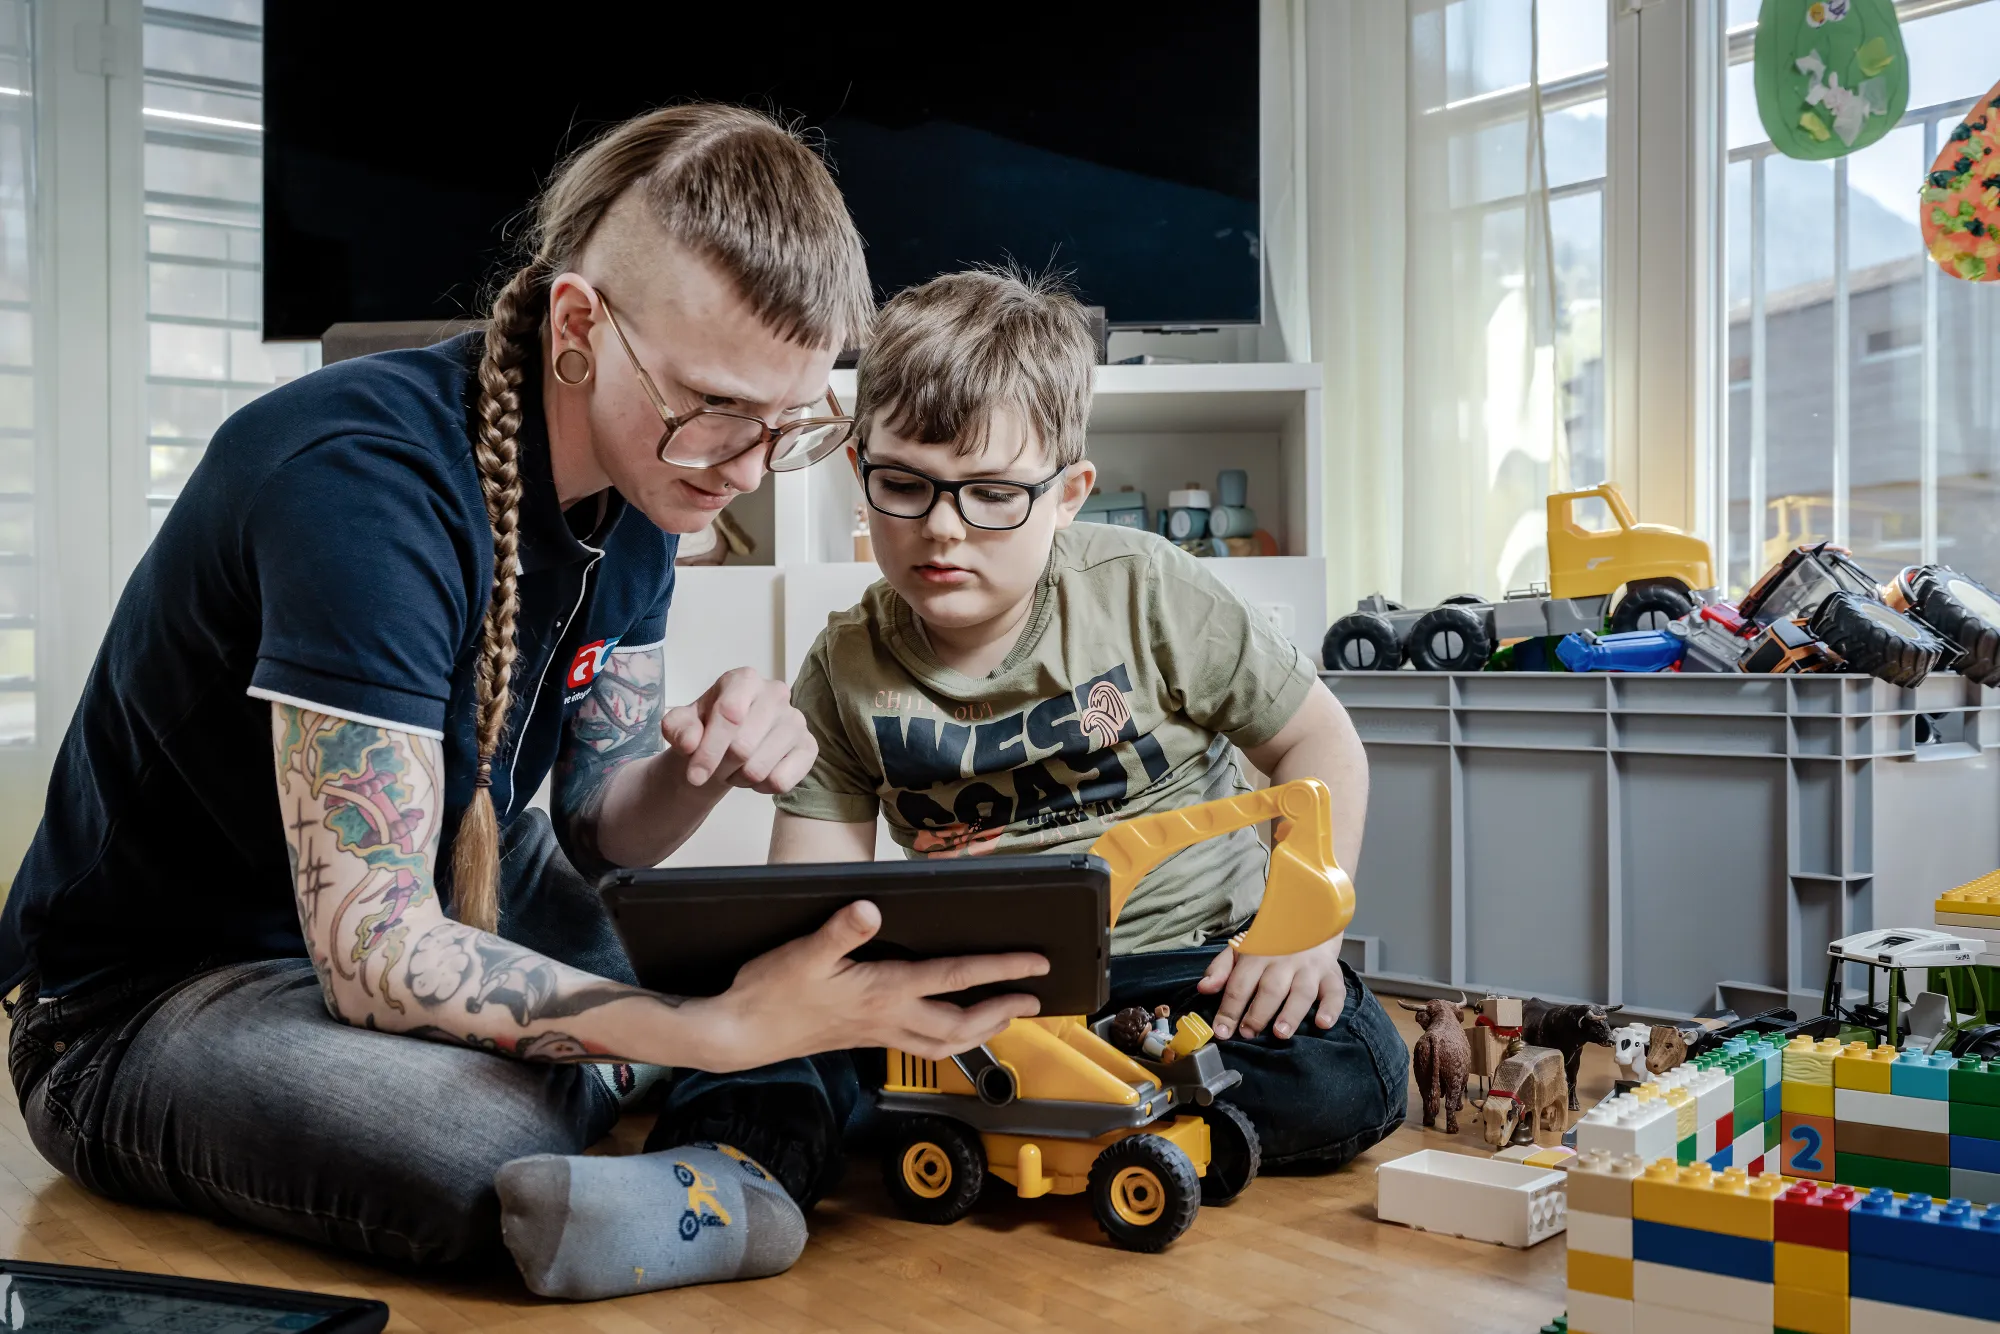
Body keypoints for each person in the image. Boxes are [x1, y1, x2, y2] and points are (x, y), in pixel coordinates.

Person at [0, 107, 1046, 1301]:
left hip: (470, 898)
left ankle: (708, 1144)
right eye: (712, 406)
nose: (745, 469)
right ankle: (711, 1118)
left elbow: (602, 827)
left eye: (785, 424)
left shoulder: (652, 493)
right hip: (145, 1007)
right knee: (478, 1141)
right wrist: (709, 1032)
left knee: (778, 963)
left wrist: (696, 770)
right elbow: (371, 950)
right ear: (577, 324)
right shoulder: (355, 482)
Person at [665, 268, 1408, 1203]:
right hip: (968, 994)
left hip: (1182, 971)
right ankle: (716, 1193)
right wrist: (781, 1014)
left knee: (1356, 1066)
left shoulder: (1147, 590)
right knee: (756, 1046)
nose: (942, 529)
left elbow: (1319, 743)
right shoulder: (845, 667)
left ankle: (1087, 1131)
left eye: (992, 496)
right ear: (861, 472)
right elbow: (810, 902)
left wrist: (1299, 931)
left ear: (1068, 495)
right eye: (906, 486)